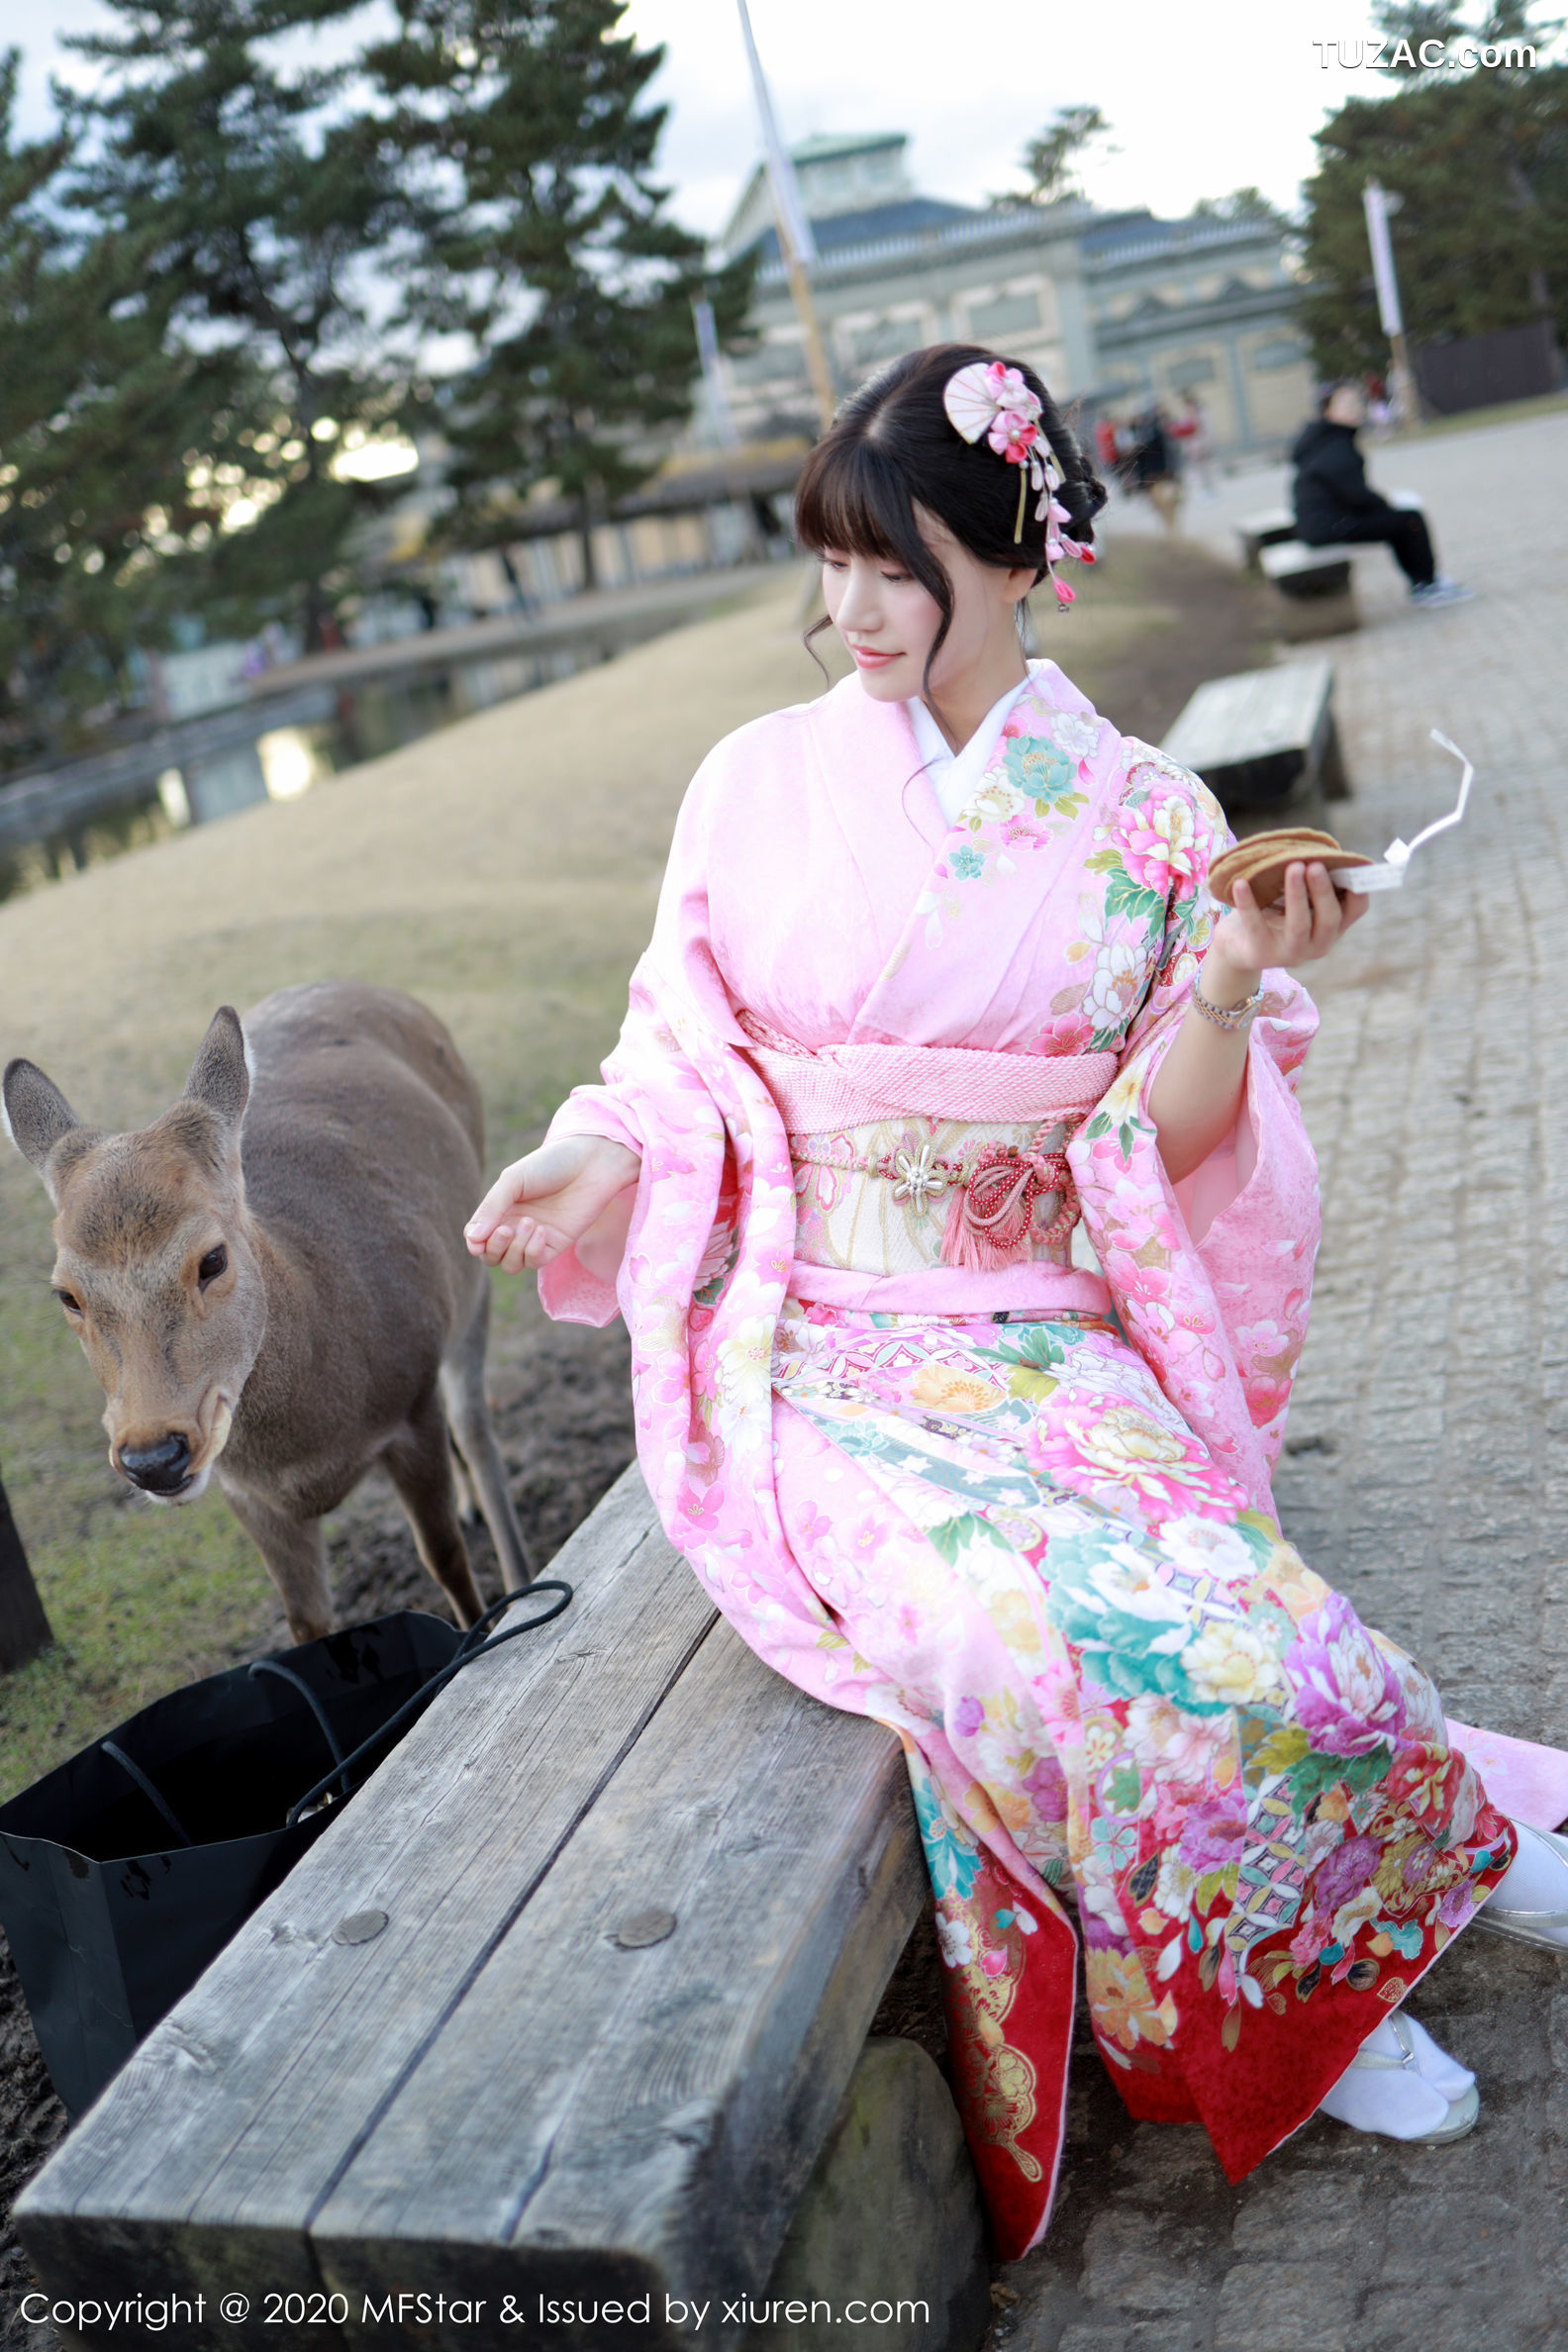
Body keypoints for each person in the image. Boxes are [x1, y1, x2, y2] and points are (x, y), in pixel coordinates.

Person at [466, 344, 1568, 2259]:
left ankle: (1400, 1869)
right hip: (816, 1347)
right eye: (827, 568)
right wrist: (600, 1155)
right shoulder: (753, 783)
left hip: (1037, 1322)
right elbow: (674, 1042)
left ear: (1006, 556)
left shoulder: (1133, 810)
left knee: (1245, 1626)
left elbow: (1162, 1131)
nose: (847, 613)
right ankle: (1314, 1996)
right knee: (1021, 1637)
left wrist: (1223, 968)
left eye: (891, 569)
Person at [1291, 382, 1470, 607]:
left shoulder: (1324, 439)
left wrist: (1387, 509)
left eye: (1357, 403)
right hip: (1327, 526)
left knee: (1399, 521)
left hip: (1322, 523)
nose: (1355, 408)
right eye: (1347, 404)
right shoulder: (1336, 445)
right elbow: (1355, 495)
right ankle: (1426, 586)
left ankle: (1423, 583)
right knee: (1409, 520)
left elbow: (1349, 493)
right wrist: (1388, 506)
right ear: (1329, 411)